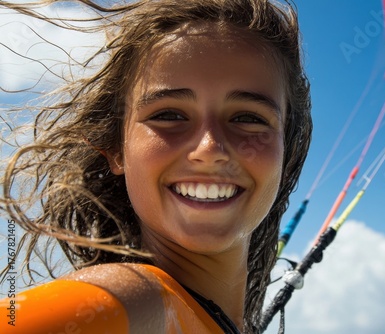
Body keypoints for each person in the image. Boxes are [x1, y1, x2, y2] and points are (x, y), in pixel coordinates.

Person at [0, 0, 312, 333]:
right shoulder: (136, 299)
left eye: (248, 118)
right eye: (169, 115)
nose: (210, 149)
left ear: (287, 151)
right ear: (116, 149)